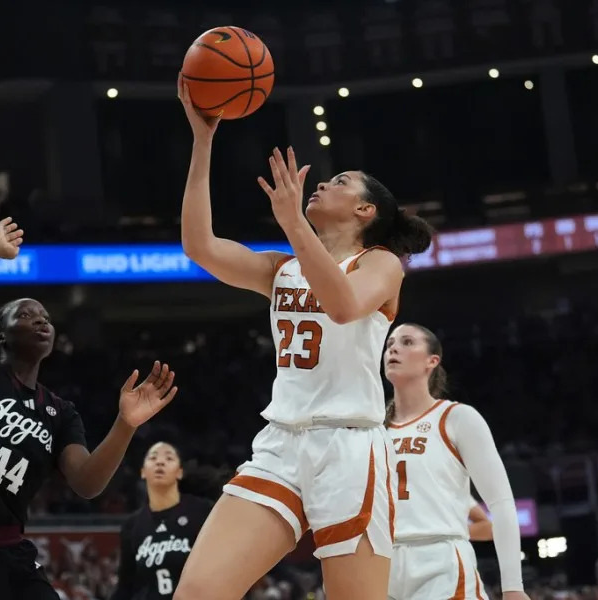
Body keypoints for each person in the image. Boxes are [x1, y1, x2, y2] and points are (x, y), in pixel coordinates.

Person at [174, 76, 433, 600]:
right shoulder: (282, 268)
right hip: (281, 443)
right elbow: (198, 245)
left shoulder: (380, 264)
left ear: (366, 211)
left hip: (350, 446)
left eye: (339, 181)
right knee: (197, 593)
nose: (322, 184)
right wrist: (203, 140)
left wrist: (294, 223)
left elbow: (341, 305)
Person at [0, 218, 179, 600]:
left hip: (7, 548)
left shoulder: (61, 412)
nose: (42, 320)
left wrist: (125, 424)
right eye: (27, 315)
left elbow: (87, 484)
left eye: (46, 317)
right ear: (1, 334)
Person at [383, 323, 527, 600]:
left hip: (440, 561)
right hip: (383, 564)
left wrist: (513, 587)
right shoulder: (373, 428)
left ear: (431, 361)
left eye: (407, 342)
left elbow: (501, 503)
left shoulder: (457, 418)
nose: (394, 348)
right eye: (390, 344)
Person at [111, 442, 213, 599]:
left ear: (179, 472)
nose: (160, 462)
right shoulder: (132, 525)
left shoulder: (202, 511)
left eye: (169, 458)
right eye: (153, 457)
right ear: (143, 472)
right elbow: (125, 585)